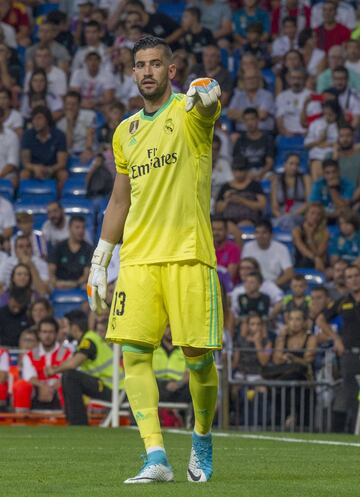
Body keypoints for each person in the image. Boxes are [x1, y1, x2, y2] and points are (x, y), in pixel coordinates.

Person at [87, 35, 223, 483]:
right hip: (140, 260)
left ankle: (201, 438)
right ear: (132, 72)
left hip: (188, 253)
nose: (147, 71)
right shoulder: (124, 132)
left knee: (197, 359)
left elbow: (206, 106)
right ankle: (156, 457)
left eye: (155, 64)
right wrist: (101, 258)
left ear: (171, 70)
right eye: (139, 64)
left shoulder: (188, 113)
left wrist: (208, 94)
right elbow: (119, 201)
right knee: (134, 355)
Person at [45, 309, 123, 425]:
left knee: (70, 376)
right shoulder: (90, 339)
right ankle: (74, 420)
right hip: (112, 387)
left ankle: (78, 422)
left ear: (75, 327)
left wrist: (54, 370)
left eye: (66, 326)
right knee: (70, 377)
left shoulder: (89, 340)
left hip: (114, 389)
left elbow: (74, 363)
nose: (65, 331)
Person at [316, 264, 360, 432]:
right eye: (349, 277)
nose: (354, 280)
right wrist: (336, 339)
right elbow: (320, 320)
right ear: (346, 282)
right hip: (350, 355)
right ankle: (352, 432)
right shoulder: (343, 302)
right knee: (352, 396)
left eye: (356, 275)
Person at [12, 317, 72, 412]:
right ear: (39, 334)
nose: (47, 336)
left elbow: (67, 376)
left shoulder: (66, 353)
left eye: (50, 332)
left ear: (56, 334)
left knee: (68, 384)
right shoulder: (30, 355)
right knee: (21, 385)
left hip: (58, 390)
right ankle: (21, 419)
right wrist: (43, 386)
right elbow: (29, 377)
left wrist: (51, 388)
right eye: (44, 332)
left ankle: (69, 418)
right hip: (37, 391)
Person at [20, 106, 68, 194]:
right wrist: (35, 168)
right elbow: (25, 162)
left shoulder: (59, 135)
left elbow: (62, 163)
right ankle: (25, 198)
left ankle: (59, 200)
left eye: (39, 118)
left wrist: (49, 170)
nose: (36, 122)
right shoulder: (27, 135)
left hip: (53, 169)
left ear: (47, 120)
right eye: (34, 119)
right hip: (34, 168)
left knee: (63, 174)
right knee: (24, 174)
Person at [242, 219, 294, 288]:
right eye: (257, 233)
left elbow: (289, 273)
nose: (260, 236)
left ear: (271, 235)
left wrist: (272, 286)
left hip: (273, 284)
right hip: (251, 285)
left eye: (264, 233)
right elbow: (243, 270)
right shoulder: (248, 247)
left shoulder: (281, 248)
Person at [215, 157, 266, 226]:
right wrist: (227, 200)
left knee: (244, 225)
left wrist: (241, 200)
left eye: (241, 170)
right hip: (227, 221)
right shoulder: (225, 187)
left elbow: (262, 205)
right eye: (235, 170)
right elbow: (218, 210)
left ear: (246, 170)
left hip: (248, 220)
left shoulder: (254, 185)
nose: (238, 174)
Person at [48, 215, 93, 290]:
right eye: (77, 227)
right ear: (69, 228)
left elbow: (86, 276)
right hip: (59, 285)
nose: (81, 231)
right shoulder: (59, 247)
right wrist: (55, 283)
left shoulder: (89, 249)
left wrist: (74, 284)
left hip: (80, 287)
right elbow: (51, 272)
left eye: (83, 227)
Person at [271, 153, 311, 231]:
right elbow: (274, 207)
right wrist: (282, 217)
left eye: (297, 164)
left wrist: (292, 215)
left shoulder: (305, 178)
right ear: (284, 164)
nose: (294, 167)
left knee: (287, 221)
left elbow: (309, 203)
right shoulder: (276, 180)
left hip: (300, 214)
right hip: (282, 215)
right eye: (291, 164)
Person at [232, 107, 274, 180]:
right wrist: (247, 174)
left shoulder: (267, 139)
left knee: (274, 178)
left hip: (263, 172)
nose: (249, 123)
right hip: (245, 173)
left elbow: (269, 162)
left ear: (258, 120)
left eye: (252, 119)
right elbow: (237, 162)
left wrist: (260, 174)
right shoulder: (240, 140)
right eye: (246, 120)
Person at [308, 158, 355, 223]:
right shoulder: (318, 184)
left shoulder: (348, 185)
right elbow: (314, 206)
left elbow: (345, 207)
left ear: (339, 172)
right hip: (322, 218)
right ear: (323, 174)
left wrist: (332, 189)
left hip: (343, 220)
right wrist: (334, 214)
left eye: (334, 172)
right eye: (327, 173)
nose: (331, 176)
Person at [153, 327, 190, 404]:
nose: (170, 330)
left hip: (179, 388)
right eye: (167, 327)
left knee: (196, 388)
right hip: (157, 388)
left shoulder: (184, 350)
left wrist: (178, 384)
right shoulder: (153, 349)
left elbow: (189, 373)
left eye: (173, 326)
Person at [292, 202, 329, 271]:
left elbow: (319, 253)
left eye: (318, 214)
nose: (315, 217)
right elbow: (302, 250)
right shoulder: (297, 231)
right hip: (302, 261)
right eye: (312, 213)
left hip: (319, 261)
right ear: (306, 215)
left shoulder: (325, 232)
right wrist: (315, 258)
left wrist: (310, 237)